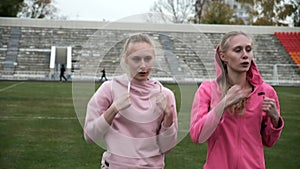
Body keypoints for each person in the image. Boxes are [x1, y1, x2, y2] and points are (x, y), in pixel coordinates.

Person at [190, 31, 284, 169]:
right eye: (238, 50)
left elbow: (269, 141)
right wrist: (223, 104)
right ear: (223, 56)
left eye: (248, 49)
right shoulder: (207, 90)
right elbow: (197, 135)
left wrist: (275, 120)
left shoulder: (266, 92)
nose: (245, 55)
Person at [84, 33, 178, 169]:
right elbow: (90, 135)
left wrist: (168, 116)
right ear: (125, 60)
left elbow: (167, 148)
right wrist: (114, 109)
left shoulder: (165, 95)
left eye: (148, 59)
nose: (143, 65)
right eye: (136, 59)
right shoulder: (109, 89)